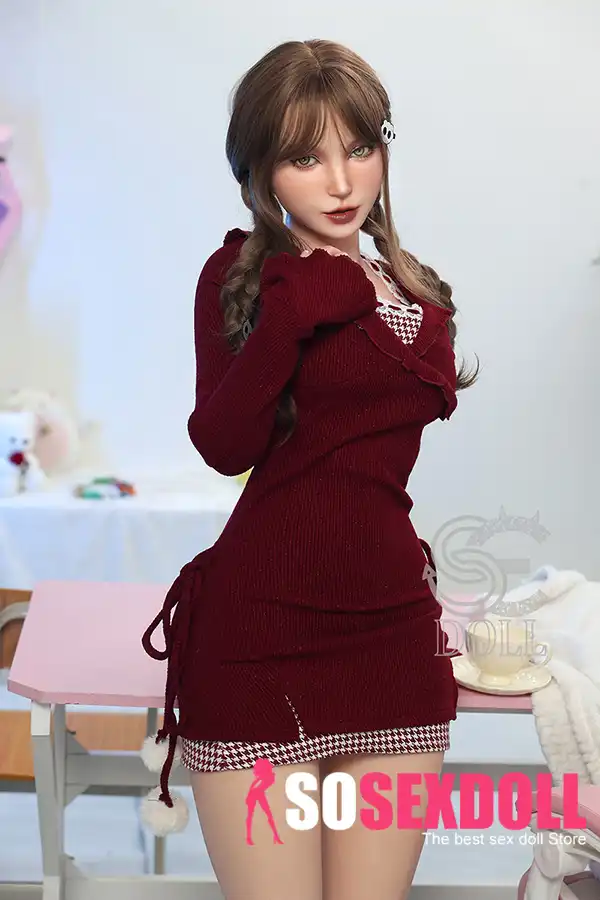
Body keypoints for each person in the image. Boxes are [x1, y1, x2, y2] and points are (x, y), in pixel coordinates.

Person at [141, 37, 478, 900]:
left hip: (390, 637)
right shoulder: (243, 280)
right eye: (305, 158)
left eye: (359, 149)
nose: (340, 182)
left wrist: (360, 290)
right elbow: (223, 444)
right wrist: (291, 317)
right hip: (259, 640)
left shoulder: (415, 290)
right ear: (260, 174)